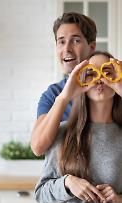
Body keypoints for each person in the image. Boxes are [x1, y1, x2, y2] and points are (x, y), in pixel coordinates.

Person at [34, 51, 122, 203]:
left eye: (107, 72)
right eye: (91, 74)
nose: (99, 79)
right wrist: (67, 183)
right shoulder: (62, 132)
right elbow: (41, 194)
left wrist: (118, 199)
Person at [31, 12, 97, 156]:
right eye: (61, 41)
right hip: (66, 178)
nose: (66, 49)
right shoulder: (53, 94)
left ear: (91, 47)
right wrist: (64, 97)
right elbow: (37, 147)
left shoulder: (107, 88)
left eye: (75, 40)